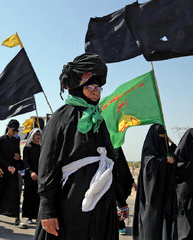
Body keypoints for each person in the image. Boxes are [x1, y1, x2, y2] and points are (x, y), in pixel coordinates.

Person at [35, 53, 128, 240]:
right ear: (78, 87)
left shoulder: (99, 119)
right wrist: (46, 208)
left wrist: (120, 199)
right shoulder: (61, 117)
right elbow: (47, 163)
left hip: (103, 202)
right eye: (91, 87)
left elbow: (110, 161)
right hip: (70, 202)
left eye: (99, 88)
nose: (96, 92)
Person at [133, 124, 177, 240]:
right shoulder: (149, 149)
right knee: (152, 216)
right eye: (161, 136)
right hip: (152, 191)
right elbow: (149, 164)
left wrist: (171, 143)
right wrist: (164, 160)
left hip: (164, 188)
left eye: (164, 136)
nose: (162, 139)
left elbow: (175, 155)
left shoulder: (164, 147)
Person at [0, 119, 27, 229]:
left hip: (13, 171)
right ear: (8, 128)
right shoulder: (0, 140)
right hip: (2, 171)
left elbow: (17, 156)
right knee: (0, 192)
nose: (15, 132)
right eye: (14, 130)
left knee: (15, 194)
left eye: (17, 131)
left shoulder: (16, 141)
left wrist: (18, 158)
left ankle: (17, 219)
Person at [114, 147, 137, 235]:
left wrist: (132, 181)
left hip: (122, 182)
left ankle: (120, 225)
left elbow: (125, 167)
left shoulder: (118, 149)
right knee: (117, 204)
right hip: (112, 181)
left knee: (120, 203)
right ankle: (121, 226)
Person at [22, 128, 42, 224]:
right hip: (30, 176)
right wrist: (31, 172)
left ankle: (37, 216)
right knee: (29, 195)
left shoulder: (42, 148)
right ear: (32, 136)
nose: (38, 136)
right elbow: (26, 162)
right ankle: (29, 216)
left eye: (39, 134)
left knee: (38, 196)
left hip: (40, 176)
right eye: (36, 134)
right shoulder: (27, 148)